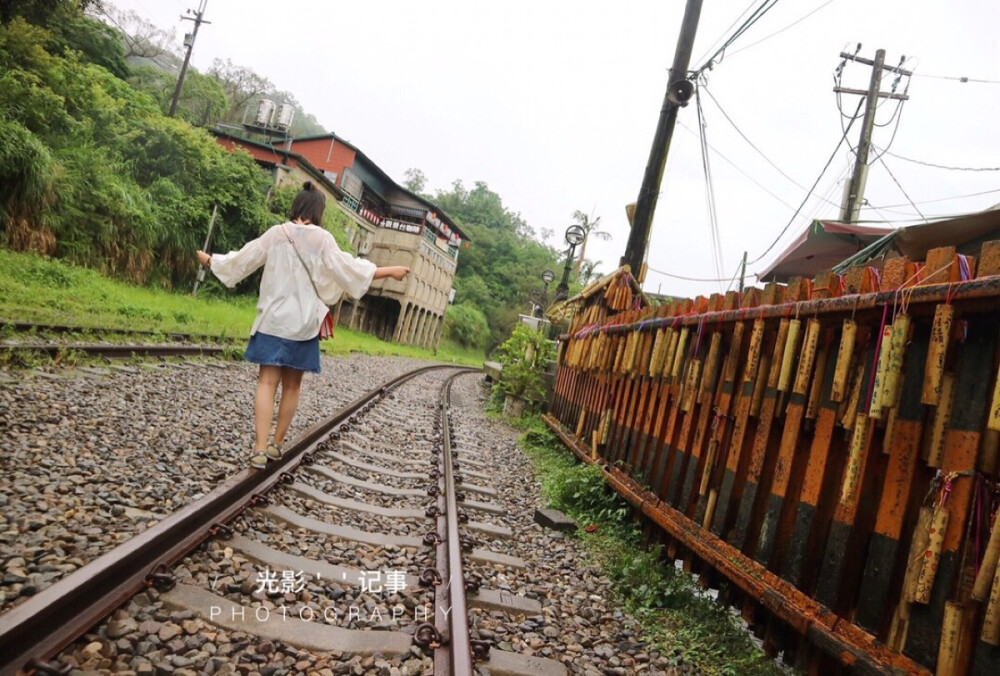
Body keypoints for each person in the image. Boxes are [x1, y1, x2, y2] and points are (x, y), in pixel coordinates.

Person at [196, 182, 409, 468]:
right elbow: (350, 269)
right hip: (304, 324)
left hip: (272, 320)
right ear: (318, 211)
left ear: (296, 206)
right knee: (292, 387)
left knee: (266, 382)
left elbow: (244, 259)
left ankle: (259, 449)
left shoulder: (276, 233)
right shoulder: (322, 240)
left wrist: (212, 261)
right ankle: (277, 445)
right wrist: (390, 272)